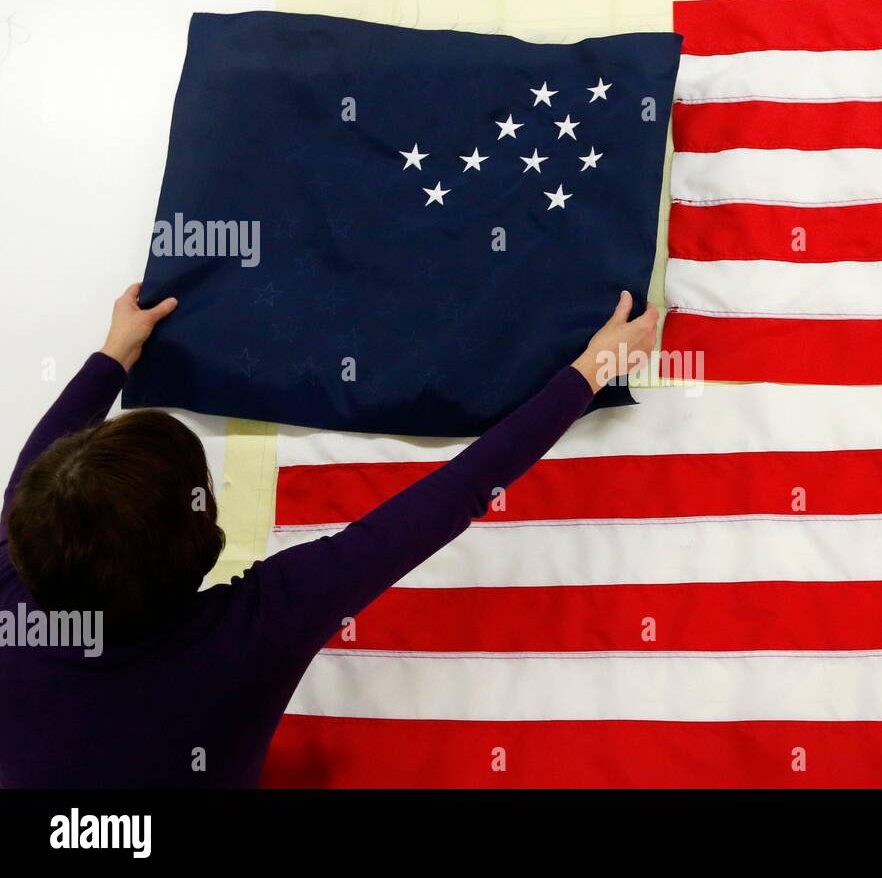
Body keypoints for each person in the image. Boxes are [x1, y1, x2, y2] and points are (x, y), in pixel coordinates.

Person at [0, 283, 657, 788]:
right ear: (195, 541)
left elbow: (34, 483)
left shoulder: (19, 567)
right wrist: (589, 372)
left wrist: (111, 356)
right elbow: (446, 499)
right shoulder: (250, 635)